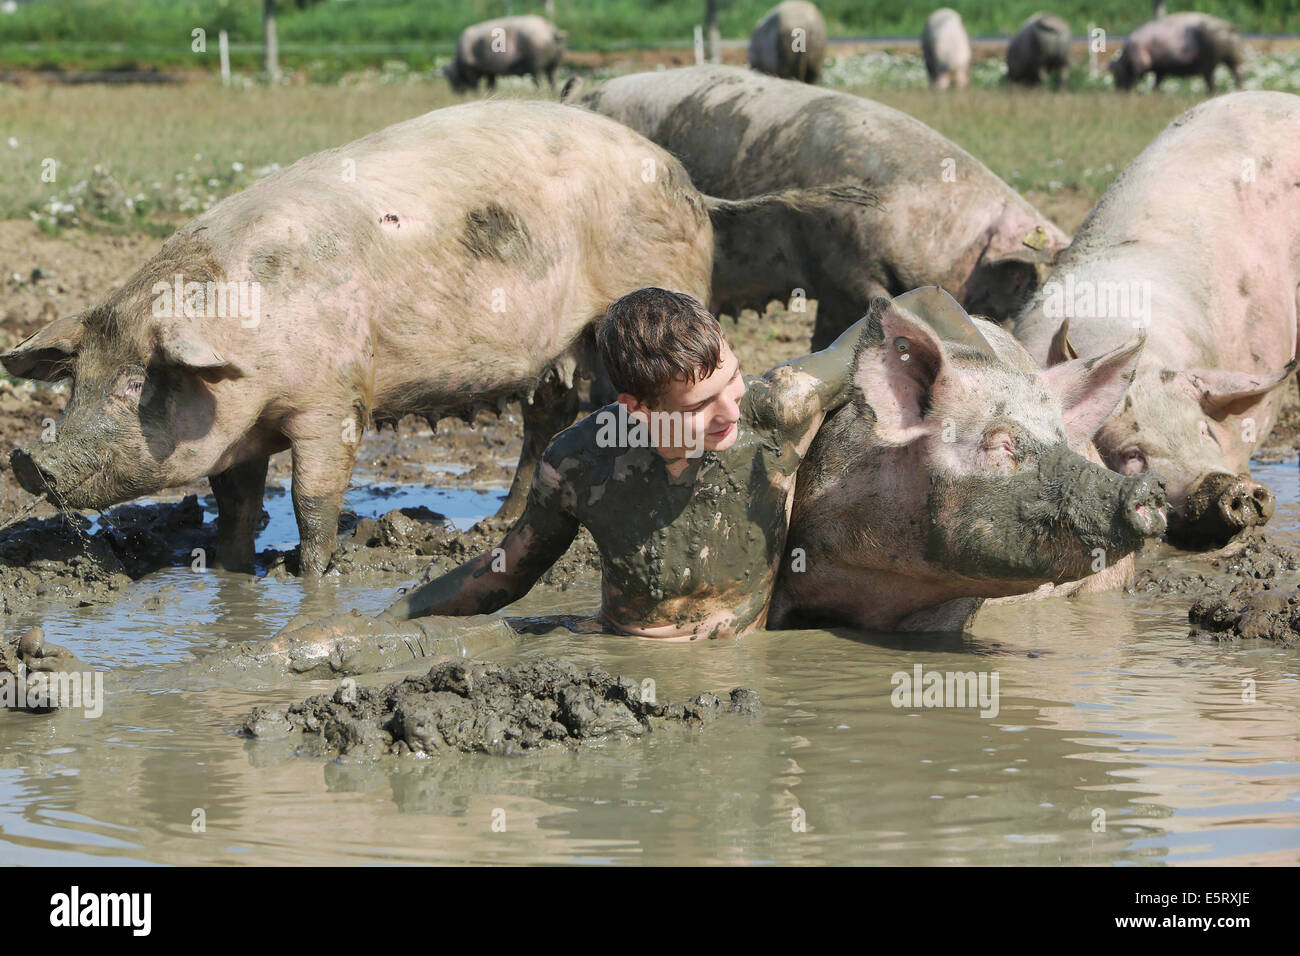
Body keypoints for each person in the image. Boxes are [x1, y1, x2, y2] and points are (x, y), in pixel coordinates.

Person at [282, 286, 874, 644]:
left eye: (733, 377)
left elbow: (878, 328)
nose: (730, 409)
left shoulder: (776, 413)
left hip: (743, 658)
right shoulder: (579, 461)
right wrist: (387, 622)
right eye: (699, 405)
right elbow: (504, 575)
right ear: (636, 410)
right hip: (620, 657)